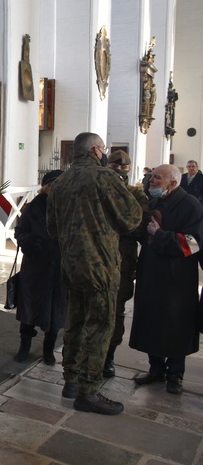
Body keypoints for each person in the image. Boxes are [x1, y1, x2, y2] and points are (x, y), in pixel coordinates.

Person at [47, 132, 142, 416]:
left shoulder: (60, 183)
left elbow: (52, 229)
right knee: (100, 326)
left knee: (75, 321)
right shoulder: (104, 178)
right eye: (103, 149)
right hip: (101, 265)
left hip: (72, 265)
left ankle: (71, 382)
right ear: (96, 150)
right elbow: (132, 218)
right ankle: (89, 392)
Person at [129, 164, 203, 395]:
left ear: (172, 183)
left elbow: (193, 243)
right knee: (152, 319)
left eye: (157, 179)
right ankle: (156, 369)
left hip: (177, 278)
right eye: (152, 177)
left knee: (176, 324)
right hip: (151, 272)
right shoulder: (153, 202)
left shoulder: (191, 205)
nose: (151, 181)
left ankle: (175, 374)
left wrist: (159, 235)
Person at [102, 150, 150, 378]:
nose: (119, 170)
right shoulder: (97, 190)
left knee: (116, 311)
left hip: (122, 262)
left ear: (129, 170)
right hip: (97, 260)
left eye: (123, 167)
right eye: (114, 166)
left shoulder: (136, 196)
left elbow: (141, 227)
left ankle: (108, 356)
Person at [13, 170, 67, 365]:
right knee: (29, 307)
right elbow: (20, 231)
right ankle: (24, 346)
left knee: (56, 309)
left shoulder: (69, 208)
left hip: (60, 267)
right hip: (36, 266)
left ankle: (48, 349)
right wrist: (31, 242)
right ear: (47, 187)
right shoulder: (34, 207)